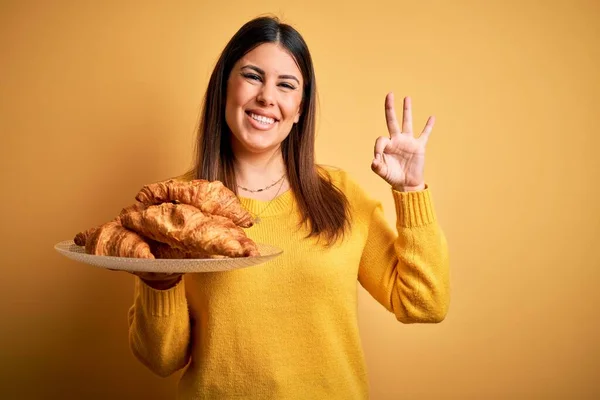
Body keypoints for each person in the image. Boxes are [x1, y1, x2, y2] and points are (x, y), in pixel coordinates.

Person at [127, 15, 450, 399]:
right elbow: (161, 359)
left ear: (299, 109)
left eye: (286, 84)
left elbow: (424, 304)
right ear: (223, 89)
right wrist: (158, 276)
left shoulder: (339, 196)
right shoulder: (174, 207)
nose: (267, 96)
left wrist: (412, 190)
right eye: (252, 76)